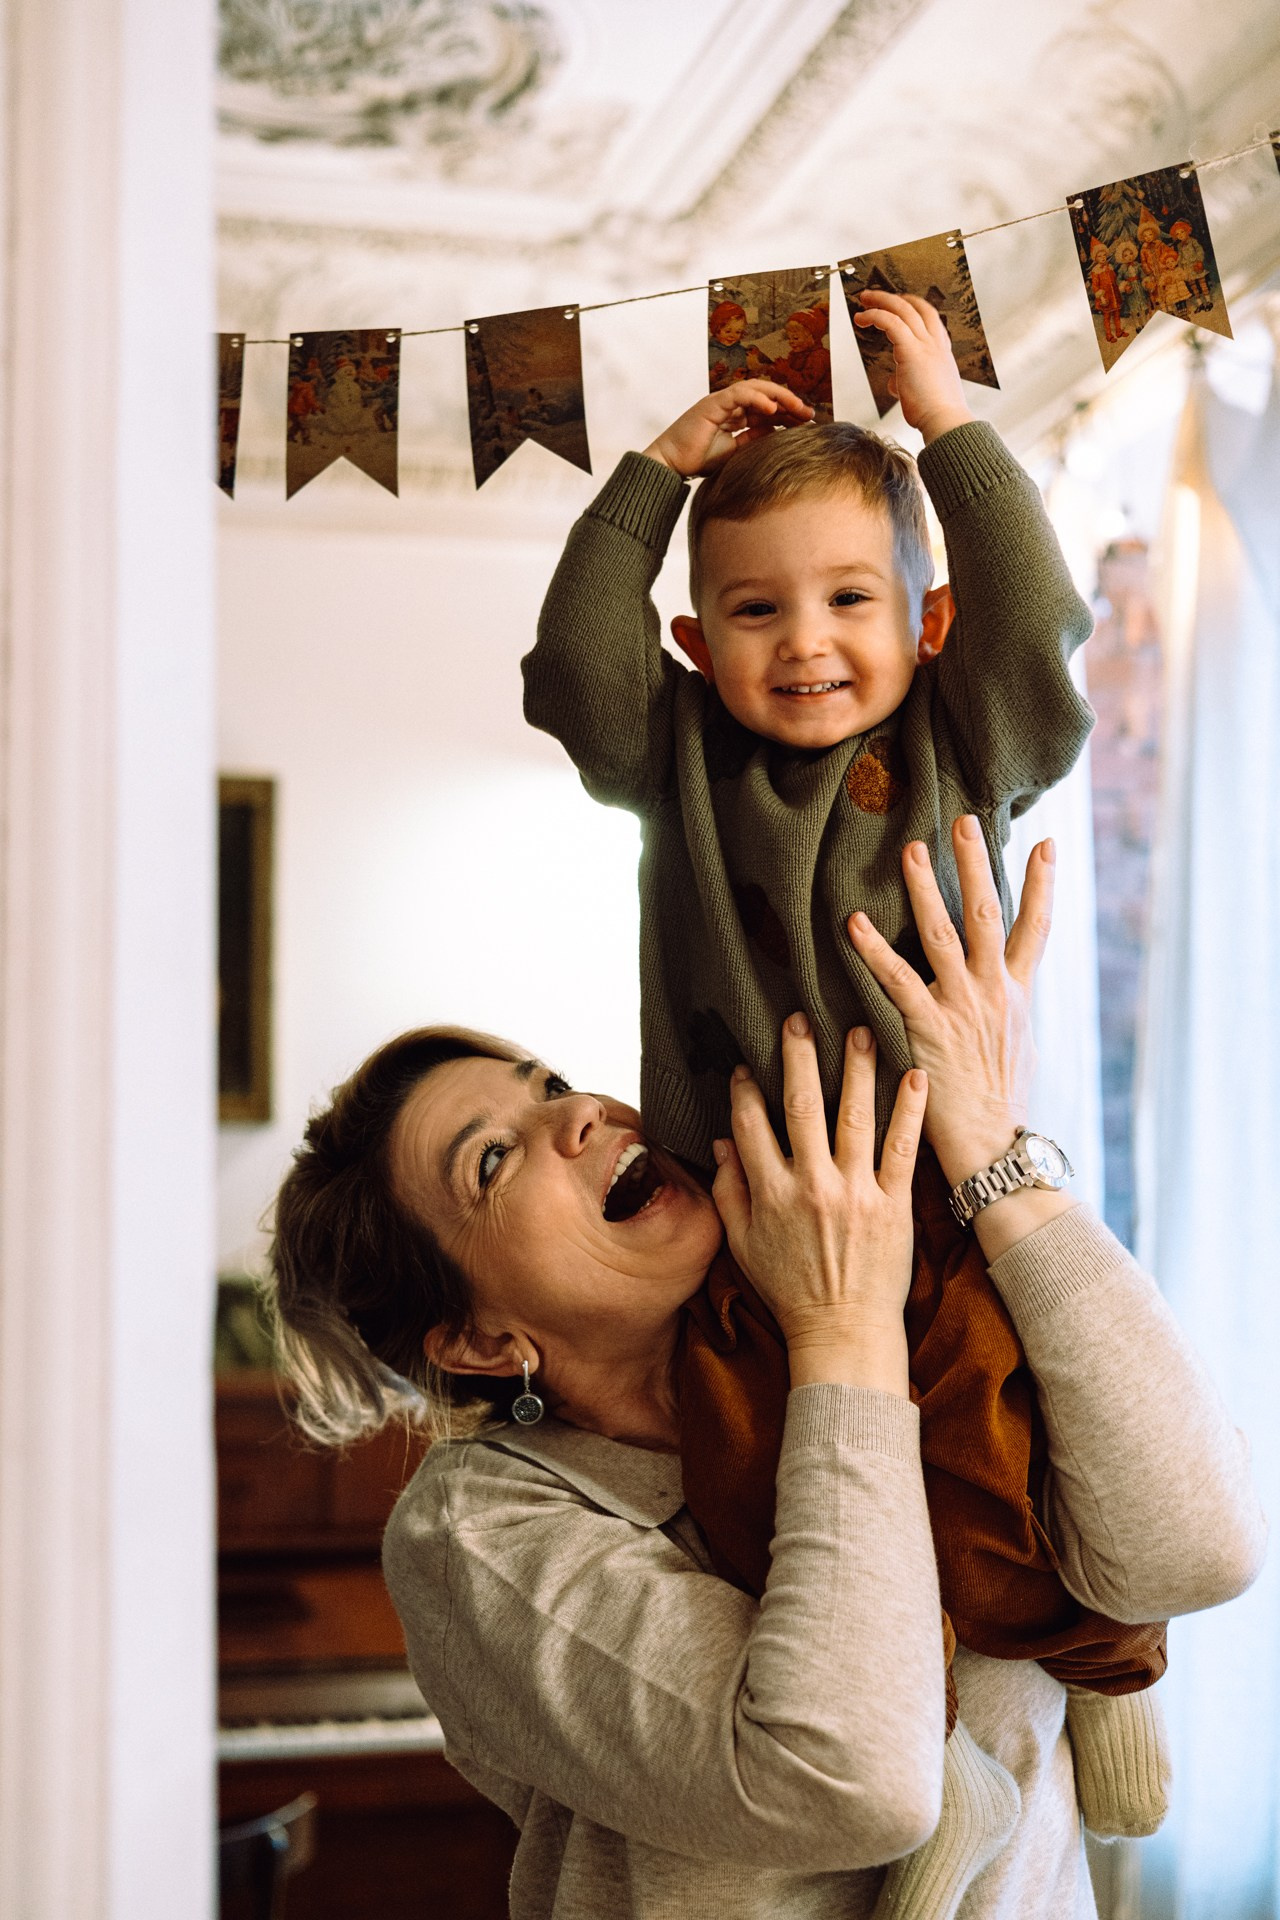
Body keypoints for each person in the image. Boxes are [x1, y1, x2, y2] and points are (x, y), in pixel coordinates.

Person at [266, 835, 1265, 1919]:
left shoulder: (843, 1291)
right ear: (474, 1342)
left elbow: (1195, 1553)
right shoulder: (477, 1531)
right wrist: (845, 1325)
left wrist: (987, 1141)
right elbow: (854, 1782)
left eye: (548, 1083)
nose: (575, 1115)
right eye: (492, 1159)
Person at [521, 288, 1165, 1868]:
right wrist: (654, 475)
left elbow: (1031, 623)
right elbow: (571, 667)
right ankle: (923, 1751)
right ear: (695, 639)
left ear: (922, 626)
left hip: (951, 1199)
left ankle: (1097, 1665)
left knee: (1007, 1458)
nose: (804, 642)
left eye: (848, 600)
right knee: (767, 1509)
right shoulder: (674, 754)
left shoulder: (965, 728)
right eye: (752, 612)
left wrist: (948, 427)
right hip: (753, 1231)